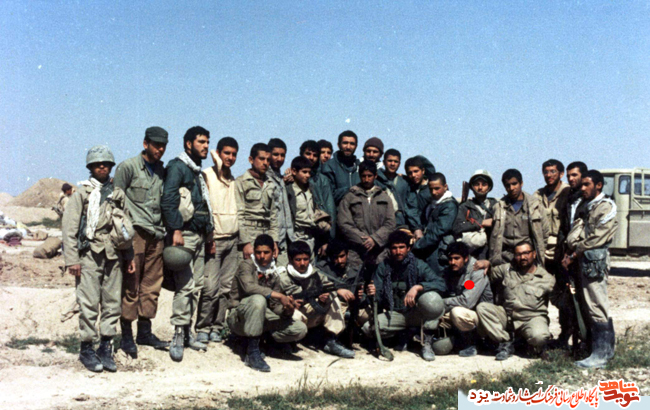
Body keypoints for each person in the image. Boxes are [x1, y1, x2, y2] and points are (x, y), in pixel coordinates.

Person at [62, 145, 135, 373]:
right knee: (88, 302)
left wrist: (129, 256)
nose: (102, 167)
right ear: (90, 167)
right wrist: (72, 260)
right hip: (89, 254)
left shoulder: (118, 194)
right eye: (97, 164)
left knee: (112, 303)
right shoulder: (81, 194)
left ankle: (106, 346)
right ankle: (86, 348)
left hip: (114, 253)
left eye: (105, 164)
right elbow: (69, 229)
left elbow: (126, 227)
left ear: (111, 166)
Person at [113, 126, 170, 357]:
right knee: (131, 284)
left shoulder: (162, 171)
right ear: (145, 144)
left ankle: (144, 332)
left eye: (163, 146)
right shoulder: (128, 167)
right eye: (156, 145)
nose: (160, 149)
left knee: (152, 285)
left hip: (157, 234)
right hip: (135, 233)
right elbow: (116, 204)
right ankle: (126, 335)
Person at [160, 126, 214, 362]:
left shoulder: (197, 171)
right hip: (185, 234)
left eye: (207, 142)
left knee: (197, 286)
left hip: (199, 234)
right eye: (201, 142)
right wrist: (176, 229)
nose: (206, 146)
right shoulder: (177, 167)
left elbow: (203, 205)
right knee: (185, 286)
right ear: (188, 144)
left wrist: (209, 233)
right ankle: (178, 334)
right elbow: (169, 199)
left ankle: (188, 331)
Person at [227, 234, 308, 372]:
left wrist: (288, 308)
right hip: (239, 317)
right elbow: (249, 288)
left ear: (273, 252)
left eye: (266, 252)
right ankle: (252, 352)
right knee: (258, 299)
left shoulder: (273, 272)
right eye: (258, 252)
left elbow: (275, 306)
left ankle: (267, 344)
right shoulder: (246, 265)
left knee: (299, 329)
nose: (262, 256)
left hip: (262, 316)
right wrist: (280, 295)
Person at [362, 230, 447, 361]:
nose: (398, 251)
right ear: (389, 250)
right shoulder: (383, 267)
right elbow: (377, 298)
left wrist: (418, 287)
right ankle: (404, 335)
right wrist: (372, 293)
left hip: (416, 313)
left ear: (408, 248)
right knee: (368, 328)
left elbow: (441, 284)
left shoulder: (418, 265)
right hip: (396, 313)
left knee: (432, 299)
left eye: (402, 247)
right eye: (394, 248)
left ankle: (427, 342)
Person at [563, 170, 618, 369]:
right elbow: (575, 236)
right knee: (588, 304)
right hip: (584, 261)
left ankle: (601, 355)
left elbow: (597, 238)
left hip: (594, 262)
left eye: (587, 184)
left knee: (596, 304)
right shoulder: (587, 206)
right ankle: (603, 350)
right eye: (582, 185)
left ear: (599, 185)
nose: (583, 188)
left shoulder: (606, 206)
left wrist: (574, 253)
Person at [476, 241, 556, 361]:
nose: (522, 257)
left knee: (539, 337)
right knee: (482, 308)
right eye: (518, 254)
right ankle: (506, 342)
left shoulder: (546, 278)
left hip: (531, 318)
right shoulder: (507, 269)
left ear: (534, 254)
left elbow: (559, 300)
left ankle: (527, 342)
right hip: (507, 317)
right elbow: (488, 274)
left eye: (526, 253)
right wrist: (487, 263)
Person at [195, 137, 240, 344]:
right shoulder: (207, 175)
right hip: (214, 239)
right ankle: (202, 327)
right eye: (226, 153)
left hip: (232, 240)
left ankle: (217, 326)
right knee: (210, 288)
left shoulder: (233, 180)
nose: (230, 157)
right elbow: (204, 207)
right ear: (219, 153)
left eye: (234, 154)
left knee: (225, 288)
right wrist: (209, 236)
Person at [279, 241, 356, 358]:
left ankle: (331, 340)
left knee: (333, 297)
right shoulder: (283, 277)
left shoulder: (315, 273)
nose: (302, 263)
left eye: (305, 259)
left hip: (311, 312)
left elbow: (328, 286)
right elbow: (296, 295)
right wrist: (315, 295)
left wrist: (326, 295)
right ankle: (288, 342)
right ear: (290, 259)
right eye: (298, 260)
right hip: (293, 314)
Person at [337, 161, 396, 272]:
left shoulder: (384, 197)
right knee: (355, 280)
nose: (366, 179)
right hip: (357, 251)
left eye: (370, 176)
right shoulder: (350, 197)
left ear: (375, 176)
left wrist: (375, 239)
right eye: (363, 176)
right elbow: (344, 223)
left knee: (379, 280)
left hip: (380, 251)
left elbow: (390, 223)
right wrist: (364, 240)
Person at [488, 169, 550, 267]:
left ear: (521, 183)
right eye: (507, 185)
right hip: (505, 258)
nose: (511, 188)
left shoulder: (535, 205)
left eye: (514, 184)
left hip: (528, 258)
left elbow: (545, 232)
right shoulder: (499, 207)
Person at [441, 242, 493, 357]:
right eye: (450, 259)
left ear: (466, 258)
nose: (452, 262)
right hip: (469, 314)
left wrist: (441, 303)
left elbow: (467, 302)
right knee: (435, 312)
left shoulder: (477, 272)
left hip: (483, 317)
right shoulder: (452, 271)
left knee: (456, 313)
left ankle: (473, 343)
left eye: (456, 258)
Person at [235, 143, 280, 261]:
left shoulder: (270, 184)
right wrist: (245, 242)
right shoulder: (241, 182)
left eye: (268, 160)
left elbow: (273, 215)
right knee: (247, 269)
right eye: (261, 159)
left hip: (266, 234)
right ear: (251, 159)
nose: (265, 163)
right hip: (249, 233)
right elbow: (239, 215)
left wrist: (274, 241)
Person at [412, 173, 459, 275]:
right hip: (429, 249)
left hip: (440, 253)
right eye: (431, 189)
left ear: (445, 187)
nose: (434, 192)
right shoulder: (432, 204)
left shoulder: (449, 205)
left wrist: (417, 245)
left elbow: (439, 231)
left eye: (437, 188)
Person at [286, 156, 330, 255]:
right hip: (295, 236)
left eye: (309, 172)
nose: (308, 175)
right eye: (304, 172)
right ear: (294, 171)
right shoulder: (288, 190)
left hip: (311, 237)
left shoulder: (311, 189)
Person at [452, 170, 497, 260]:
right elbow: (457, 227)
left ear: (489, 187)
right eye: (477, 184)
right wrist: (481, 223)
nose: (480, 188)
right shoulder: (464, 207)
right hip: (472, 254)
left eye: (484, 184)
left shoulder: (496, 206)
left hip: (492, 253)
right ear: (472, 187)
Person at [534, 159, 571, 267]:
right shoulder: (538, 195)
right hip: (542, 247)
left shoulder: (568, 193)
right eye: (546, 172)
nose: (549, 175)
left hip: (561, 247)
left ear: (561, 174)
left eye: (553, 171)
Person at [267, 138, 296, 266]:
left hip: (286, 238)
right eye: (275, 154)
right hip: (273, 239)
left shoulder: (280, 178)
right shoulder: (265, 178)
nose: (279, 159)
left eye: (282, 155)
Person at [321, 130, 361, 205]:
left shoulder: (361, 167)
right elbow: (328, 195)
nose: (348, 147)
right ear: (338, 145)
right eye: (345, 143)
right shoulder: (329, 166)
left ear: (356, 146)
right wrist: (350, 190)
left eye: (352, 144)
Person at [404, 156, 436, 240]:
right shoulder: (409, 189)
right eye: (410, 173)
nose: (413, 175)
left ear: (423, 171)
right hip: (414, 230)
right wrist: (416, 228)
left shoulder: (433, 188)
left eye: (416, 171)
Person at [376, 149, 410, 228]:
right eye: (390, 161)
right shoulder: (376, 180)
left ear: (399, 164)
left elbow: (410, 206)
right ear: (384, 162)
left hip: (400, 223)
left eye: (396, 161)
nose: (392, 164)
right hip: (380, 224)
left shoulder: (404, 183)